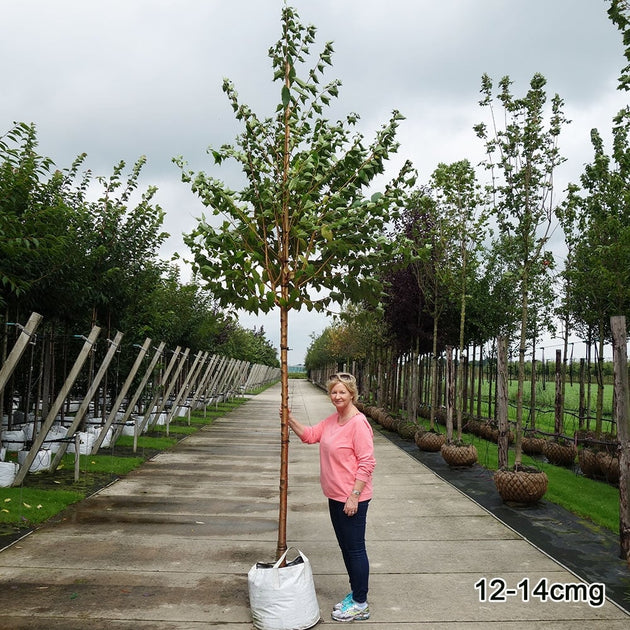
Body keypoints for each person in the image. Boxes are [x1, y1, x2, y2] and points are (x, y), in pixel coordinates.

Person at [286, 372, 375, 623]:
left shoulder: (358, 423)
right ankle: (356, 594)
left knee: (355, 549)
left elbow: (367, 463)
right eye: (334, 392)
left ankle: (360, 603)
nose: (337, 396)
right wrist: (290, 419)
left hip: (351, 498)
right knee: (346, 548)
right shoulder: (333, 421)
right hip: (335, 496)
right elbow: (310, 435)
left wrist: (354, 496)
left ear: (352, 394)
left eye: (342, 392)